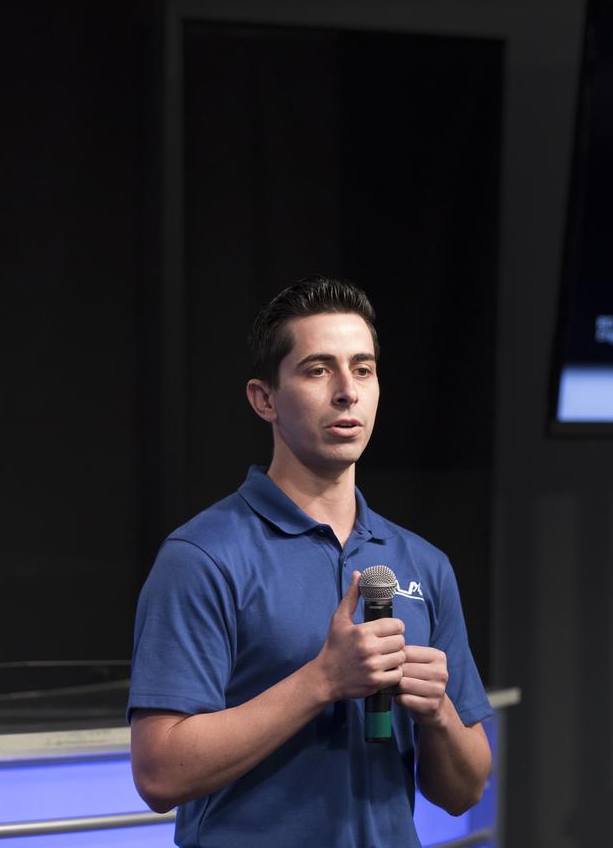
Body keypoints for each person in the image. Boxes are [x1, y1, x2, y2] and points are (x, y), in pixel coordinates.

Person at [128, 276, 491, 847]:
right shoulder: (202, 557)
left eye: (363, 369)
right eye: (318, 370)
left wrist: (438, 712)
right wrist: (322, 680)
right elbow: (159, 773)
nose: (347, 391)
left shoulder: (422, 562)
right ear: (264, 399)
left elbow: (464, 791)